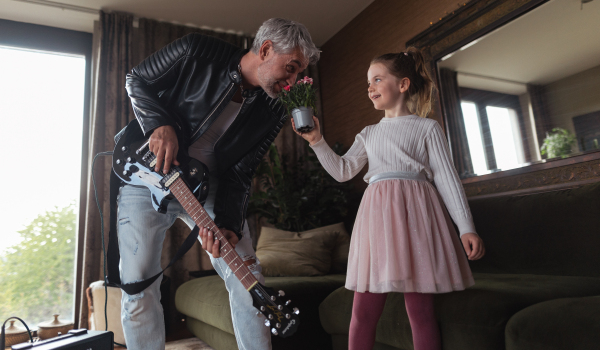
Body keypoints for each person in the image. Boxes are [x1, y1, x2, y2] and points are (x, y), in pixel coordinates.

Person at [116, 18, 320, 350]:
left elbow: (242, 169)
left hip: (206, 190)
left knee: (248, 279)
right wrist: (159, 123)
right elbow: (136, 78)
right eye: (291, 68)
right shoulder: (196, 49)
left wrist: (228, 224)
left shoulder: (275, 108)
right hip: (146, 176)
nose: (293, 81)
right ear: (266, 49)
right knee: (138, 285)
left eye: (299, 74)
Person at [292, 48, 485, 350]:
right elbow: (343, 171)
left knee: (420, 312)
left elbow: (447, 179)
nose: (370, 88)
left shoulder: (427, 127)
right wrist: (317, 141)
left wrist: (466, 227)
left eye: (377, 79)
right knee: (363, 311)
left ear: (403, 84)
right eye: (368, 82)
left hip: (419, 221)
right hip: (377, 224)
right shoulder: (368, 134)